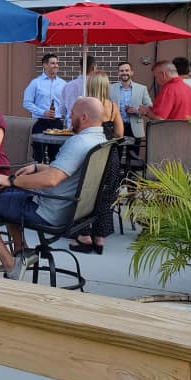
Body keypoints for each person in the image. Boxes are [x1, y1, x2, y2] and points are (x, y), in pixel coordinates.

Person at [0, 97, 107, 280]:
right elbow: (67, 172)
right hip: (71, 209)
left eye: (72, 114)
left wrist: (12, 180)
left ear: (84, 117)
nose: (69, 118)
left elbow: (52, 180)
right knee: (4, 194)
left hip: (49, 211)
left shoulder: (78, 142)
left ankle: (11, 265)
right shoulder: (98, 140)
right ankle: (21, 250)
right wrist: (37, 167)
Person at [67, 72, 123, 253]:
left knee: (86, 192)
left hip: (90, 154)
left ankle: (83, 235)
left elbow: (76, 131)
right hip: (110, 154)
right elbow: (120, 134)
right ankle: (100, 238)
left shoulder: (86, 105)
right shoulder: (113, 106)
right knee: (106, 196)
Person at [23, 53, 66, 162]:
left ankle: (53, 178)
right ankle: (38, 176)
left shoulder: (63, 84)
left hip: (57, 123)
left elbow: (67, 104)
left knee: (56, 156)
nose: (56, 65)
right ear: (44, 65)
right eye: (52, 63)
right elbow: (27, 102)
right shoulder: (35, 83)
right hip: (39, 122)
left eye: (57, 63)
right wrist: (42, 112)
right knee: (39, 155)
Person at [109, 61, 152, 144]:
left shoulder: (141, 88)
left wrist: (137, 110)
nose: (124, 73)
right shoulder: (110, 88)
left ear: (132, 72)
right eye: (121, 71)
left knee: (133, 155)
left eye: (127, 70)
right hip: (116, 127)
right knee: (116, 154)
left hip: (135, 127)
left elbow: (149, 107)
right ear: (118, 73)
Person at [61, 55, 97, 128]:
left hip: (71, 126)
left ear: (80, 68)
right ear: (94, 67)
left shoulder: (68, 85)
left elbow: (62, 110)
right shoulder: (97, 85)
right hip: (91, 127)